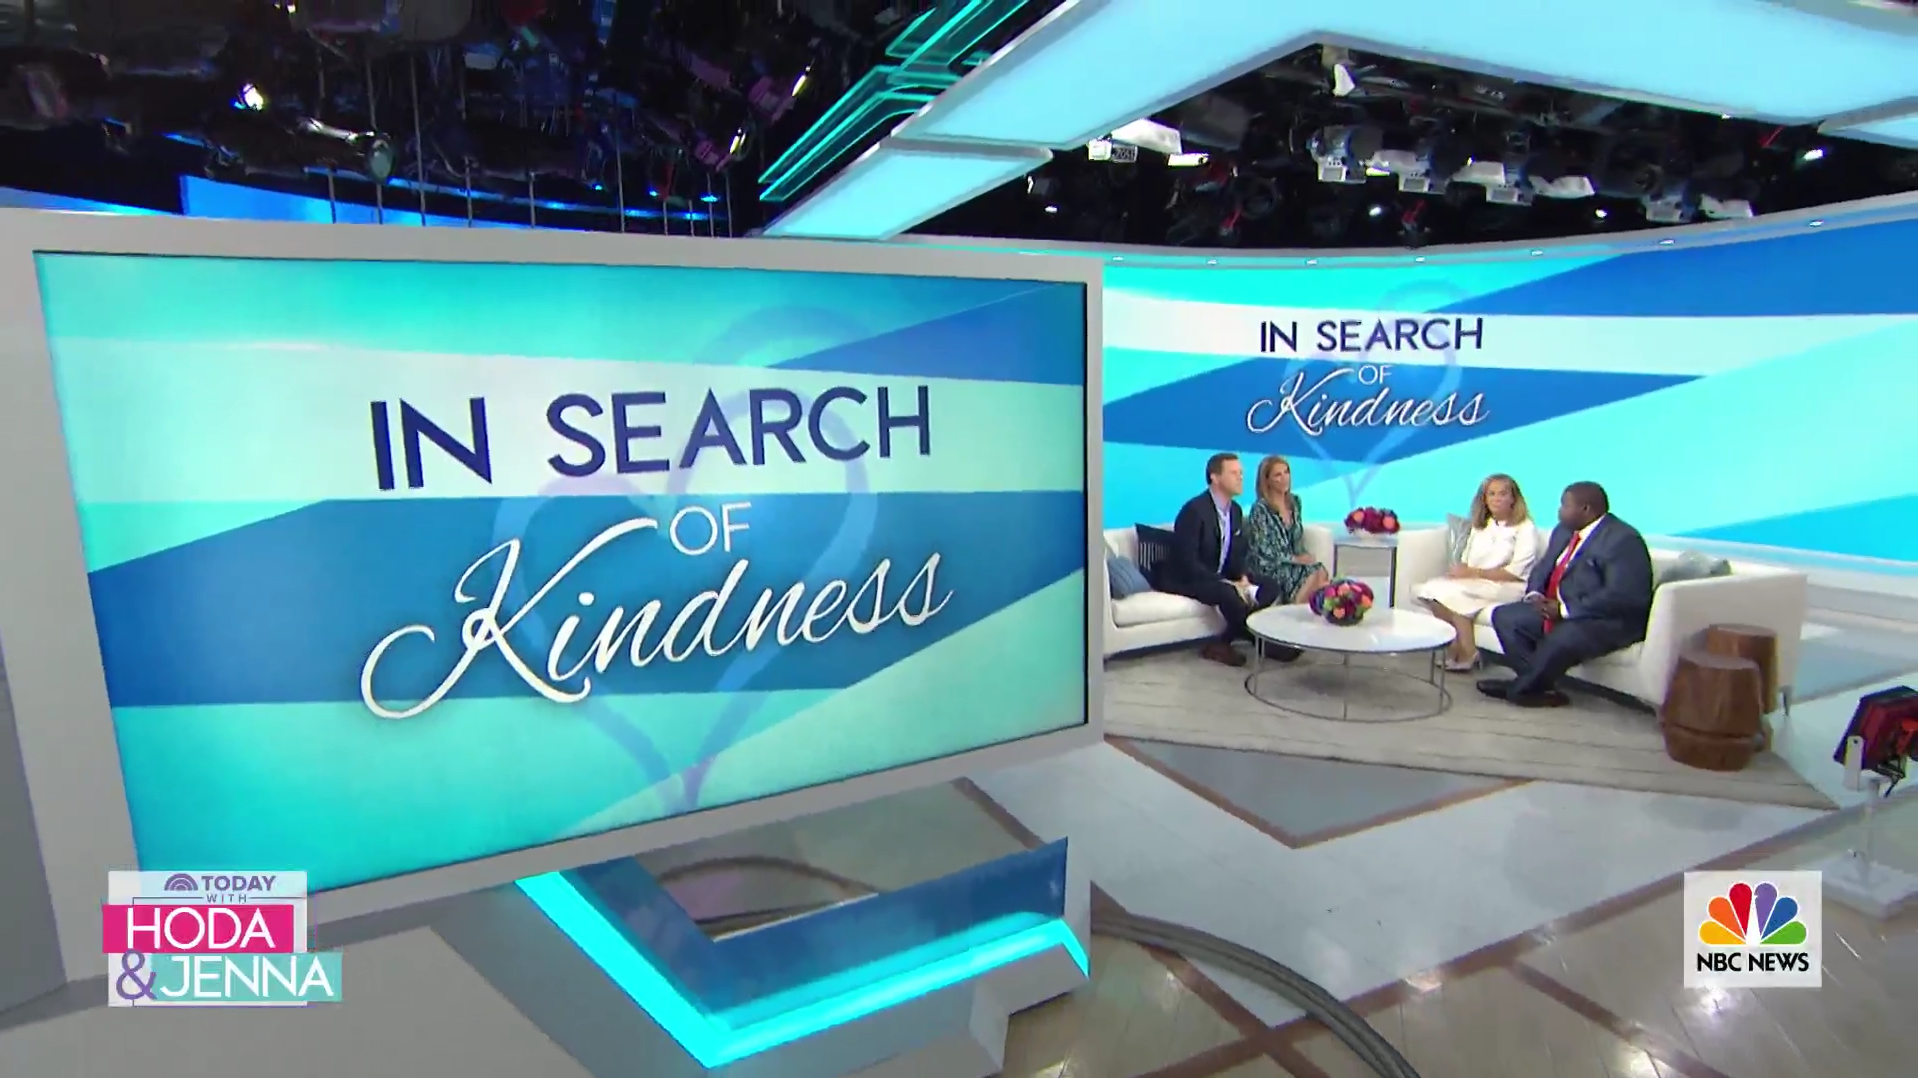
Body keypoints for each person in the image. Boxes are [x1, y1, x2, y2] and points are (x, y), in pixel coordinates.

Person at [1478, 481, 1654, 708]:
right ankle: (1536, 687)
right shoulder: (1564, 531)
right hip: (1557, 607)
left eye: (1564, 505)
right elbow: (1544, 567)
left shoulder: (1623, 540)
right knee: (1506, 617)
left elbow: (1623, 596)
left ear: (1586, 509)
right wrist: (1535, 595)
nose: (1559, 511)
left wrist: (1564, 610)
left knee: (1564, 635)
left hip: (1606, 619)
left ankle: (1521, 689)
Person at [1157, 452, 1281, 668]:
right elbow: (1188, 562)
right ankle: (1262, 642)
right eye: (1234, 473)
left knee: (1270, 586)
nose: (1240, 477)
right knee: (1227, 592)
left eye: (1241, 473)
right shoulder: (1194, 511)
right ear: (1215, 477)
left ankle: (1222, 642)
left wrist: (1242, 577)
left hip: (1219, 575)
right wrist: (1227, 583)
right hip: (1187, 578)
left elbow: (1236, 553)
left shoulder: (1235, 511)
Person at [1413, 473, 1540, 673]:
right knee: (1427, 589)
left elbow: (1516, 572)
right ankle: (1457, 644)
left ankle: (1467, 652)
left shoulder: (1525, 528)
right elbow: (1467, 560)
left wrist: (1473, 573)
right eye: (1491, 494)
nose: (1496, 499)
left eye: (1502, 494)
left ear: (1513, 499)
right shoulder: (1482, 526)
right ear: (1484, 499)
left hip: (1508, 585)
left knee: (1454, 595)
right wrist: (1459, 574)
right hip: (1476, 581)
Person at [1245, 455, 1330, 606]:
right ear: (1267, 481)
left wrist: (1304, 557)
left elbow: (1296, 538)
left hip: (1291, 562)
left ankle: (1310, 610)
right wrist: (1296, 560)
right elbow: (1264, 550)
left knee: (1320, 570)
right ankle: (1294, 609)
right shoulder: (1260, 509)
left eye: (1286, 472)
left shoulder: (1294, 502)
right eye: (1278, 475)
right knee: (1311, 573)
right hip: (1268, 565)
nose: (1284, 478)